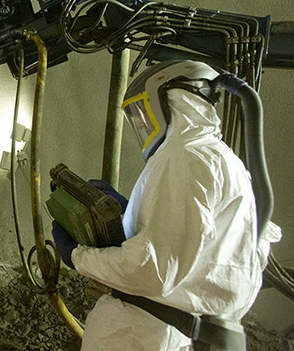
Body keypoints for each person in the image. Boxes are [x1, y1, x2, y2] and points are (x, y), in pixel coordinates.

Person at [51, 60, 281, 350]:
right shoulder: (224, 161)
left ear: (171, 98)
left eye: (143, 112)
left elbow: (153, 270)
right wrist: (130, 220)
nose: (143, 125)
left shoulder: (185, 157)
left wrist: (77, 256)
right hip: (185, 333)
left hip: (148, 335)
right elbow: (209, 261)